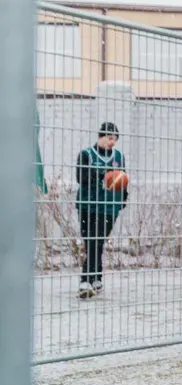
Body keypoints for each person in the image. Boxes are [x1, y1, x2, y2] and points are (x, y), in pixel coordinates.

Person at [75, 122, 128, 298]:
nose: (112, 142)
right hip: (87, 204)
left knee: (96, 240)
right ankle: (97, 277)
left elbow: (122, 177)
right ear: (101, 137)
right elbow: (81, 178)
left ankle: (85, 280)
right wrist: (104, 174)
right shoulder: (86, 155)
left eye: (115, 139)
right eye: (110, 138)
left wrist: (123, 197)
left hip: (109, 207)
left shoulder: (119, 156)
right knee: (90, 240)